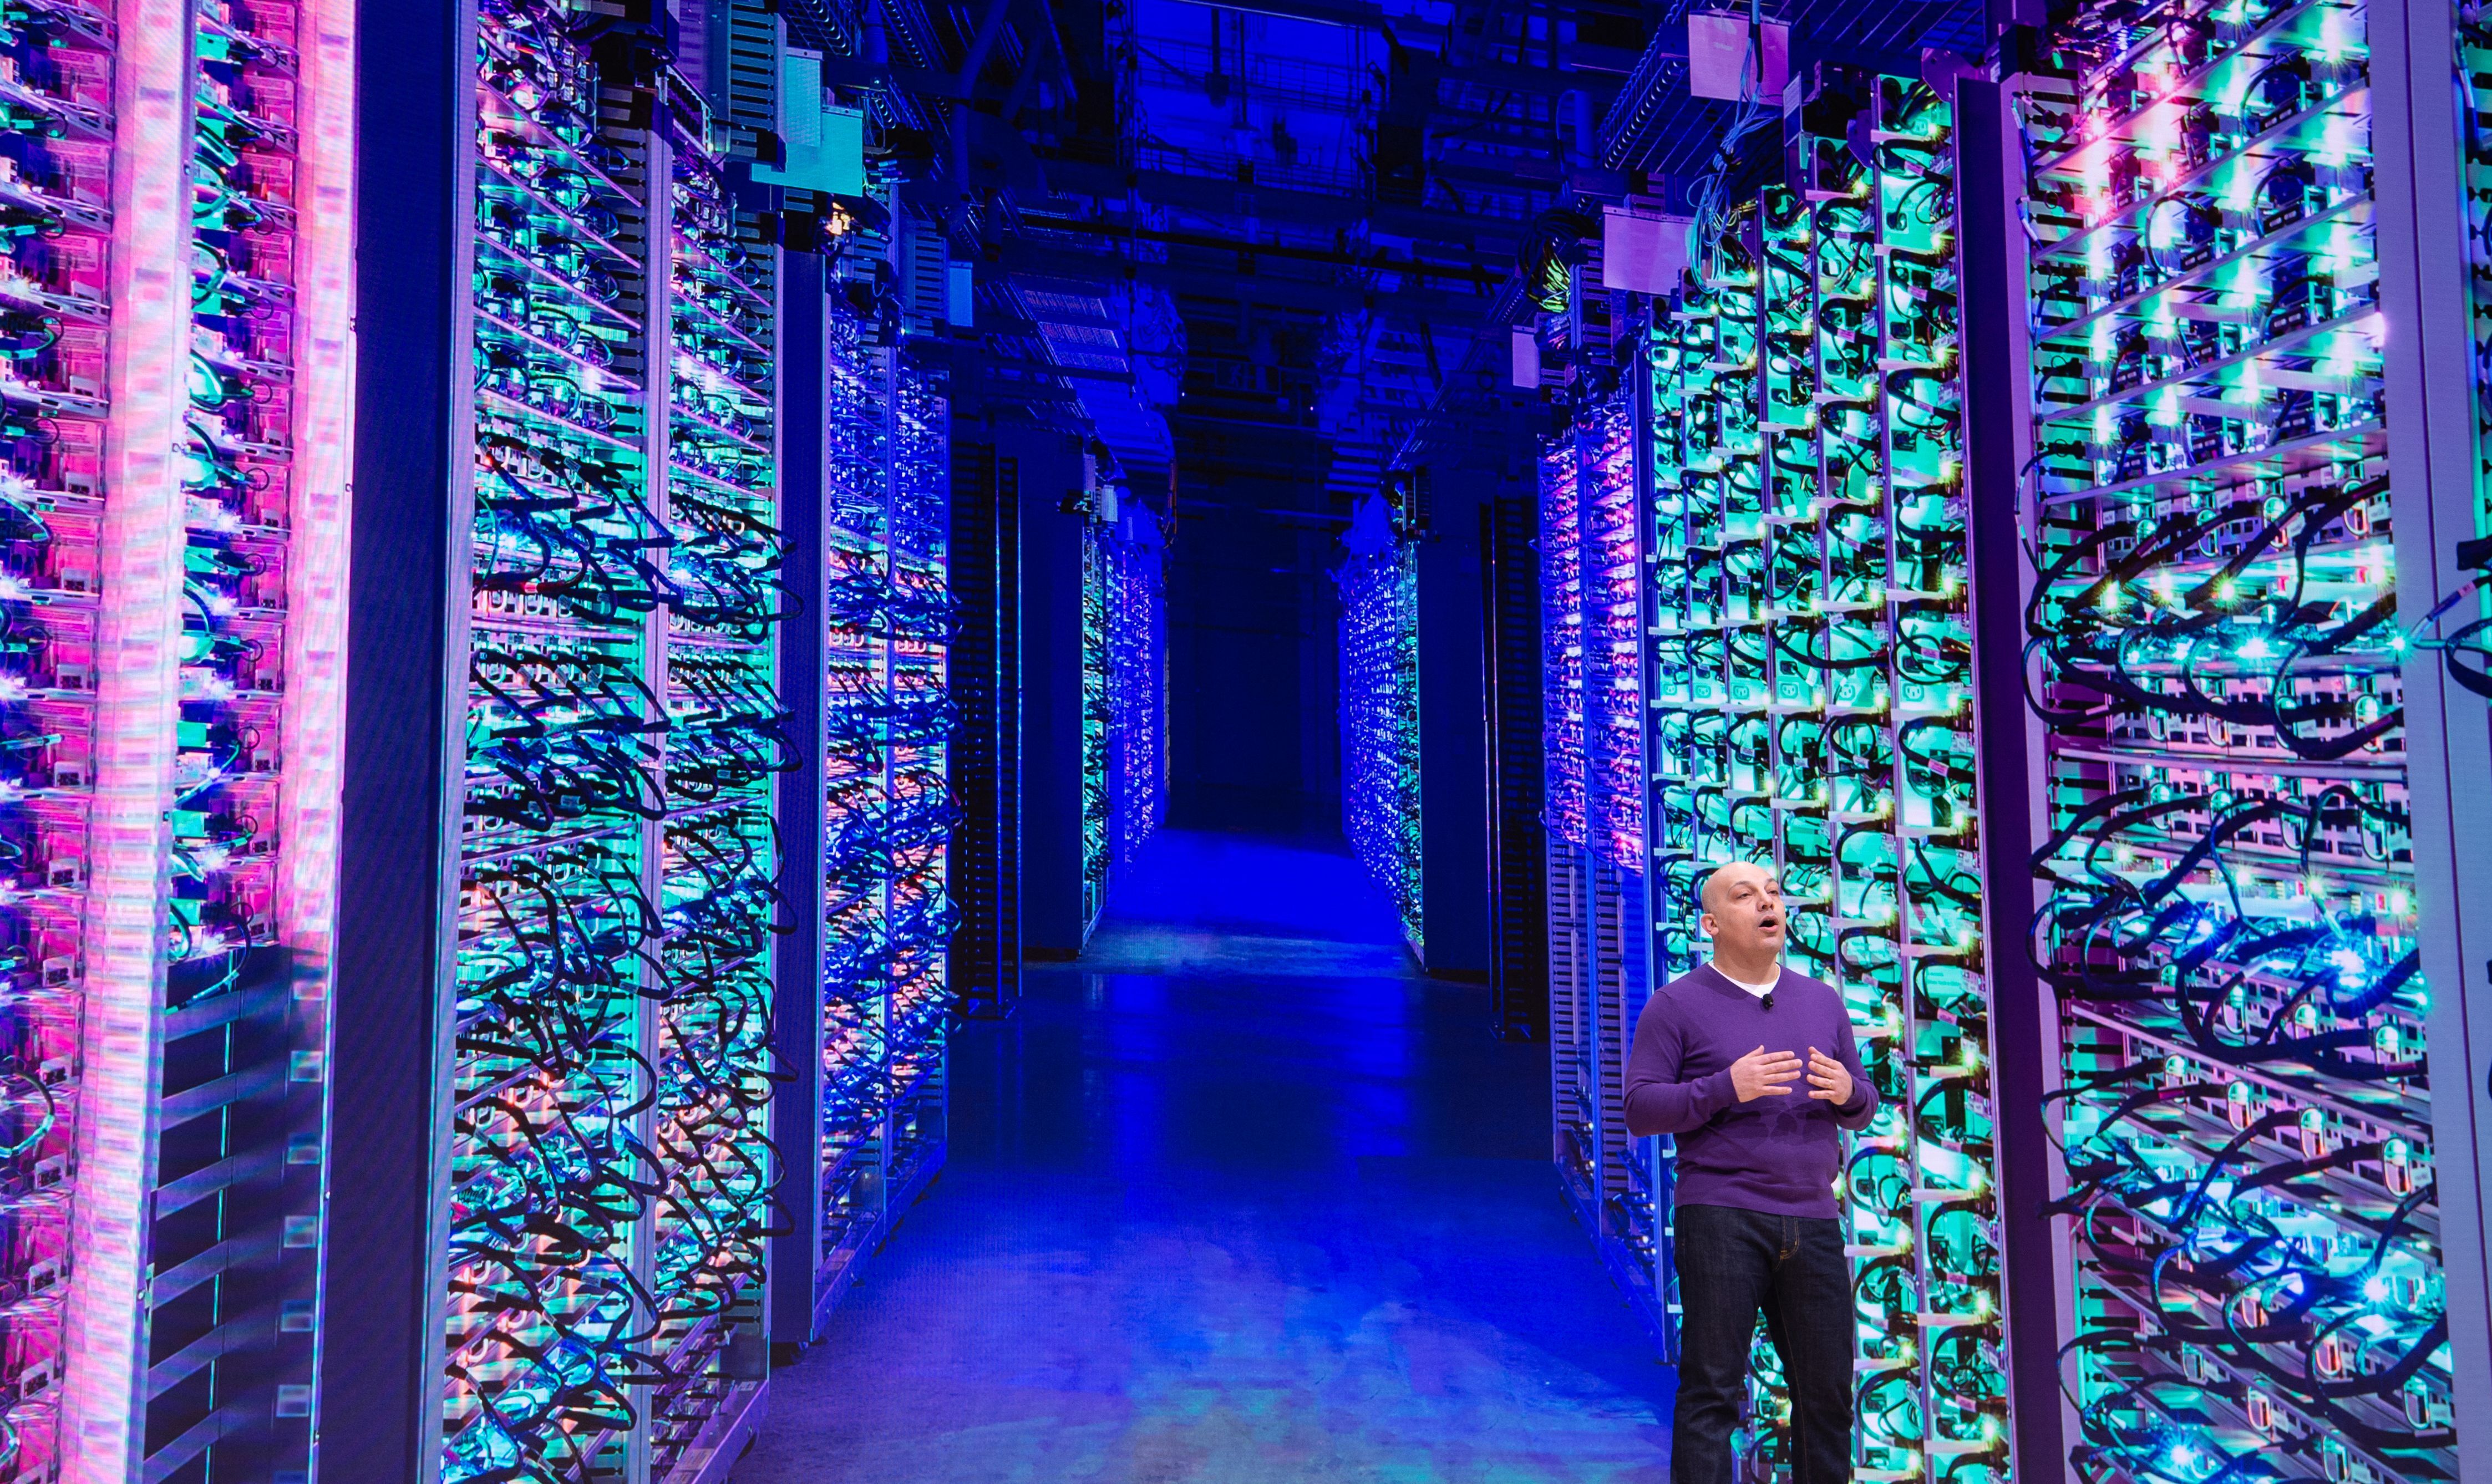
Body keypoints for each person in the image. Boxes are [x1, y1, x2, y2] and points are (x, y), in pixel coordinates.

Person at [1623, 860, 1876, 1484]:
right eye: (1745, 896)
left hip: (1812, 1221)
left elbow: (1863, 1104)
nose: (1767, 903)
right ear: (1711, 923)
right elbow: (1639, 1107)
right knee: (1711, 1393)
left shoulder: (1820, 1001)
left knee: (1827, 1400)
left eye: (1773, 893)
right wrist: (1723, 1087)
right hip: (1721, 1216)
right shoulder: (1675, 1005)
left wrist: (1848, 1091)